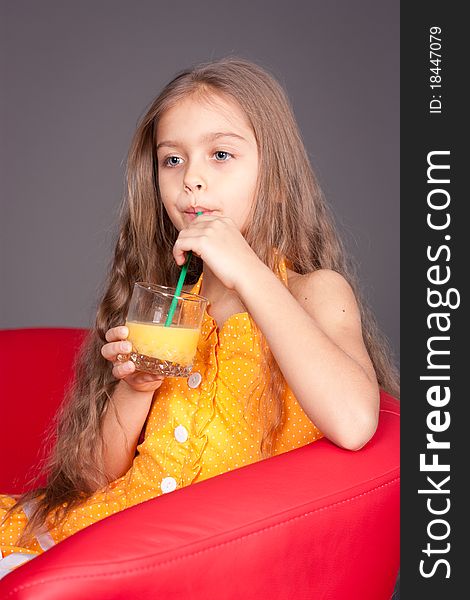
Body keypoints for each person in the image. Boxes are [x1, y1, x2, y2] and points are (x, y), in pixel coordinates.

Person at [0, 56, 399, 577]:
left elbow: (353, 423)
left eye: (221, 154)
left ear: (275, 176)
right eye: (172, 160)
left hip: (193, 561)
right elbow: (95, 477)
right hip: (108, 532)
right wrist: (137, 387)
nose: (193, 179)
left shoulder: (314, 293)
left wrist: (249, 272)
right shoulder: (171, 303)